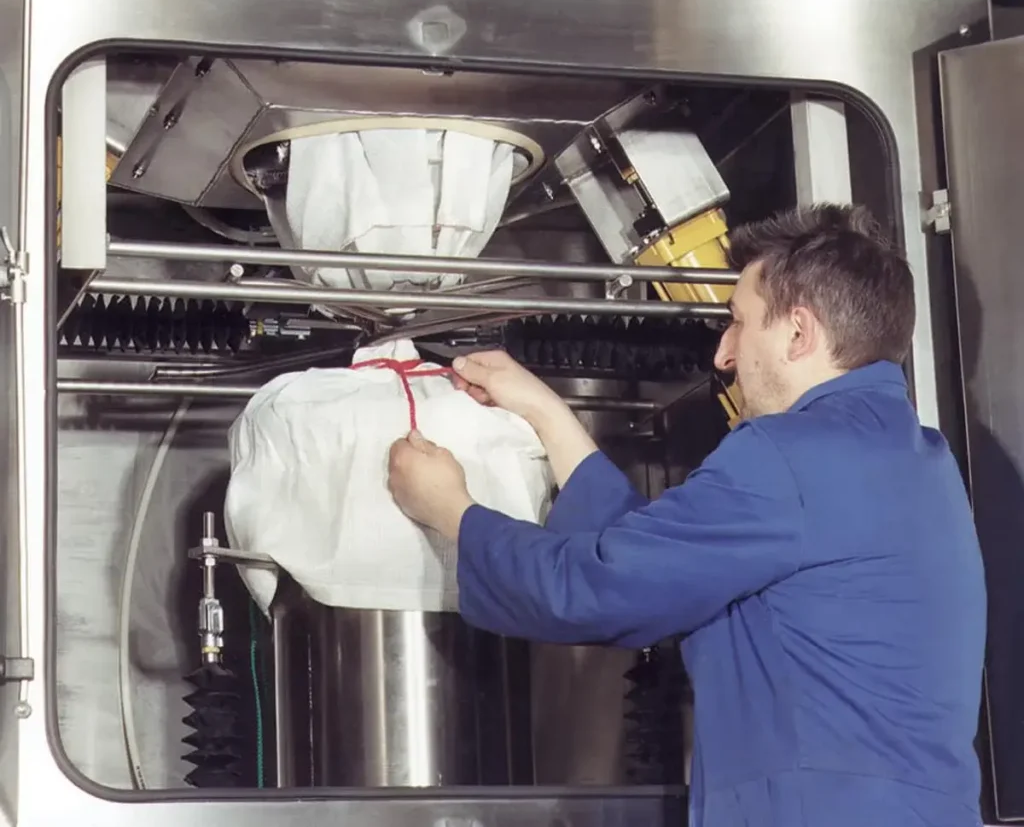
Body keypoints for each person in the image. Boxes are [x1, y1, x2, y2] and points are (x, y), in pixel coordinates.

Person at [387, 203, 986, 827]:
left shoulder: (787, 457)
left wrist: (451, 511)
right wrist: (545, 410)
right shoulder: (920, 463)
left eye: (738, 323)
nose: (725, 354)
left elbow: (597, 588)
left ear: (799, 334)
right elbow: (664, 562)